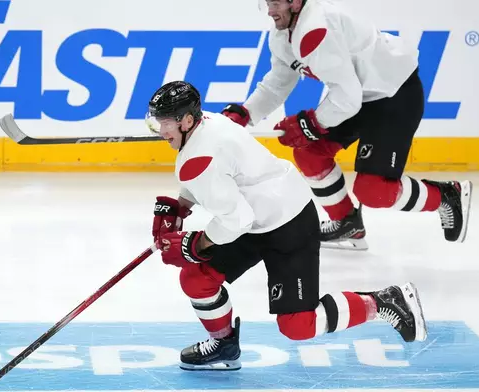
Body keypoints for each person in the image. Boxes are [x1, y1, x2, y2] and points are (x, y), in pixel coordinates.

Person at [146, 80, 427, 371]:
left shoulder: (197, 157)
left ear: (188, 120)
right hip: (256, 219)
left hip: (288, 222)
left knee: (298, 325)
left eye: (165, 122)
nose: (159, 130)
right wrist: (182, 205)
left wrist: (196, 244)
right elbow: (219, 175)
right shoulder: (209, 122)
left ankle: (383, 302)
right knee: (197, 278)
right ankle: (224, 345)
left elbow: (234, 219)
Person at [221, 0, 472, 250]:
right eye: (267, 3)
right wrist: (246, 112)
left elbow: (346, 98)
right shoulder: (283, 34)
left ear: (295, 3)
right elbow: (279, 82)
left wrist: (309, 124)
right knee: (309, 152)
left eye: (275, 3)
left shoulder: (316, 29)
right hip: (359, 97)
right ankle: (347, 224)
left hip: (394, 95)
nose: (270, 10)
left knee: (373, 191)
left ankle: (446, 195)